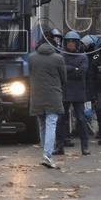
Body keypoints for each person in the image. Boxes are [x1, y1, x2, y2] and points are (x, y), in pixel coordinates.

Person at [29, 38, 67, 169]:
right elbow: (64, 78)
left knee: (42, 125)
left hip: (37, 96)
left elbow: (30, 74)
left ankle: (45, 153)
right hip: (53, 95)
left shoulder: (32, 58)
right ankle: (48, 155)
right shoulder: (58, 58)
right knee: (51, 124)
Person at [57, 31, 90, 155]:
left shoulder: (83, 57)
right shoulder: (61, 56)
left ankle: (85, 146)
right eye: (69, 42)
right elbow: (60, 72)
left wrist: (68, 69)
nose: (71, 45)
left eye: (73, 42)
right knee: (61, 120)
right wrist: (73, 69)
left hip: (78, 92)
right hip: (64, 91)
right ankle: (60, 146)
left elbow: (81, 72)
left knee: (81, 119)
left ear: (77, 44)